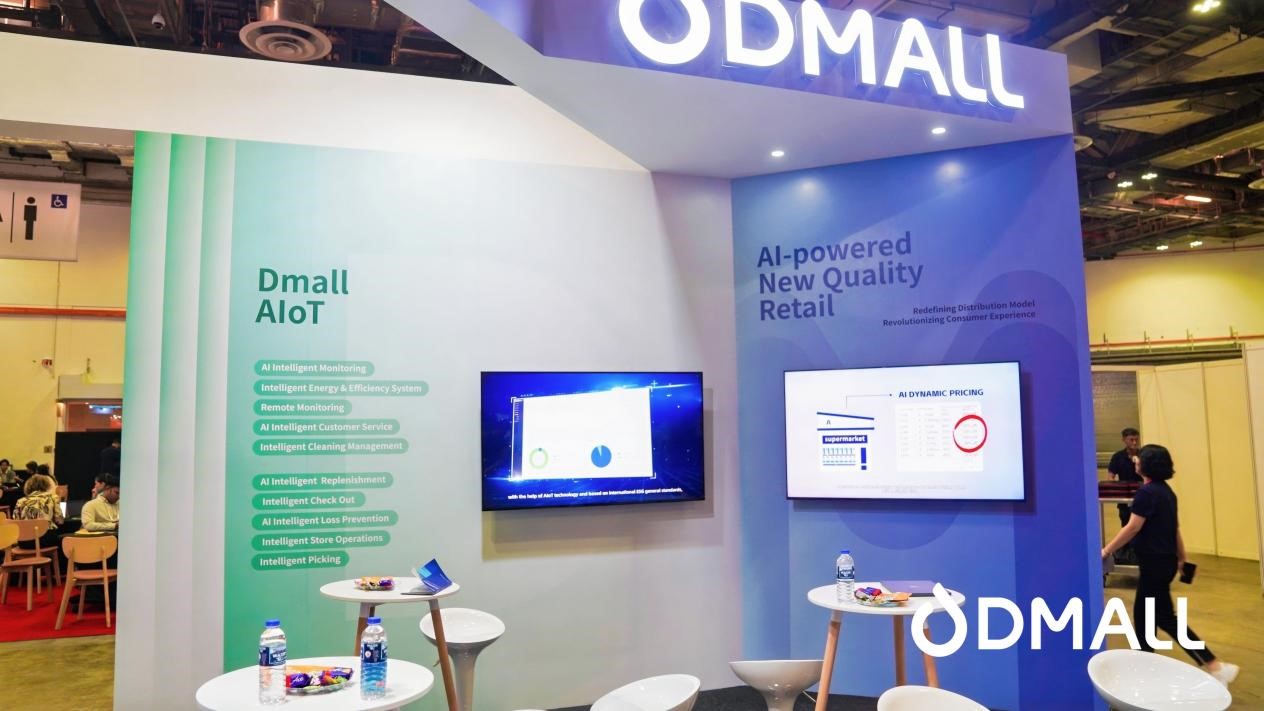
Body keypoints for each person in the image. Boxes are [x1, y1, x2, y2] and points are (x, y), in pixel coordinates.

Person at [1102, 444, 1238, 686]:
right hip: (1164, 562)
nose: (1135, 461)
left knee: (1163, 618)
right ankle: (1145, 668)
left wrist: (1106, 550)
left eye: (1139, 459)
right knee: (1145, 617)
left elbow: (1133, 527)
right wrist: (1182, 558)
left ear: (1147, 465)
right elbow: (1174, 529)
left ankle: (1214, 665)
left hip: (1154, 564)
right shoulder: (1166, 492)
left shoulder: (1146, 494)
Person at [13, 474, 64, 547]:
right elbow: (60, 521)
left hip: (24, 542)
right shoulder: (52, 498)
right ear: (47, 485)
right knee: (62, 538)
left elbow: (16, 523)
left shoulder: (20, 501)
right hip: (45, 540)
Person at [1107, 428, 1142, 529]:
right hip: (1124, 498)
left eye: (1136, 439)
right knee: (1126, 525)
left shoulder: (1144, 455)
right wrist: (1115, 491)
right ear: (1124, 440)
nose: (1134, 442)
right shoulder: (1117, 457)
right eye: (1131, 440)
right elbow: (1110, 476)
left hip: (1141, 496)